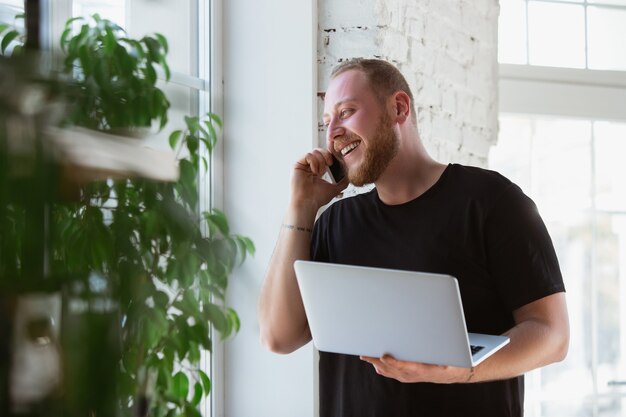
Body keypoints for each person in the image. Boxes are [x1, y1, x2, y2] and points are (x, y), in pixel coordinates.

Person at [258, 58, 569, 417]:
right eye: (328, 122)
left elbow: (552, 335)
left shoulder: (492, 202)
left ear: (399, 108)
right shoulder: (334, 223)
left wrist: (461, 372)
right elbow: (277, 337)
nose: (332, 134)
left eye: (346, 112)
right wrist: (300, 206)